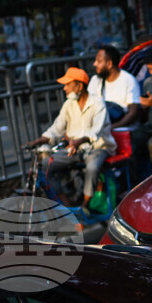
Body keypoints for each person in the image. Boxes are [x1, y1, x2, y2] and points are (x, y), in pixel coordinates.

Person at [26, 67, 116, 209]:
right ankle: (64, 202)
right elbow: (57, 128)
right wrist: (38, 141)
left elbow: (96, 132)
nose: (64, 88)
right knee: (44, 166)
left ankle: (85, 205)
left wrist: (78, 141)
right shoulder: (68, 104)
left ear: (79, 86)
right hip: (75, 149)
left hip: (99, 147)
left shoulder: (98, 103)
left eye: (68, 84)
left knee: (92, 167)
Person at [89, 44, 140, 129]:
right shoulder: (95, 80)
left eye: (99, 61)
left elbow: (132, 113)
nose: (95, 64)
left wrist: (111, 127)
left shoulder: (129, 80)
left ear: (109, 64)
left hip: (122, 127)